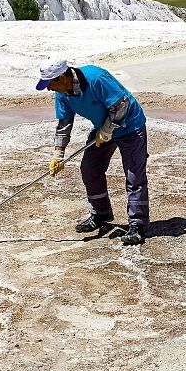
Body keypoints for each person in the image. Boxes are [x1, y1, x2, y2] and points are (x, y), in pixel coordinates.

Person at [37, 56, 149, 246]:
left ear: (62, 78)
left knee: (134, 176)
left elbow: (121, 104)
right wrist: (58, 153)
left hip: (130, 127)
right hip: (102, 130)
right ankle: (101, 213)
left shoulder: (95, 78)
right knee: (90, 169)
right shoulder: (62, 93)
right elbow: (64, 123)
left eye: (50, 84)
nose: (48, 88)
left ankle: (137, 225)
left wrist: (108, 129)